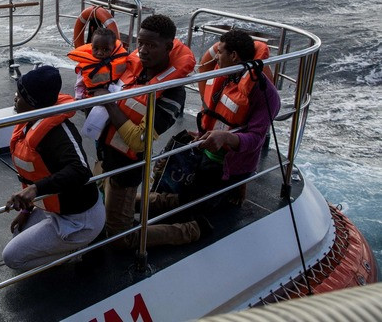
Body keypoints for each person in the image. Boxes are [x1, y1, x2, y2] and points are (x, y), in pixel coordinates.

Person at [139, 29, 282, 246]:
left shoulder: (264, 93)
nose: (216, 57)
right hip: (203, 151)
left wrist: (225, 138)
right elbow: (215, 115)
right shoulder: (225, 75)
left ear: (234, 56)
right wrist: (204, 135)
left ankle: (140, 238)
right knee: (181, 193)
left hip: (226, 166)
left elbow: (255, 139)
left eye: (220, 52)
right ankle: (142, 203)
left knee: (191, 210)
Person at [92, 14, 195, 249]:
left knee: (119, 238)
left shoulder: (172, 93)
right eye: (140, 43)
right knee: (103, 202)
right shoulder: (134, 68)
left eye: (151, 45)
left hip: (126, 168)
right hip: (105, 155)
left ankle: (189, 230)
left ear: (168, 47)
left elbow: (139, 141)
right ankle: (167, 202)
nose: (143, 50)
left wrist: (109, 102)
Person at [3, 65, 105, 271]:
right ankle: (66, 243)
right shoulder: (29, 124)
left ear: (33, 104)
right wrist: (26, 209)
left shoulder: (58, 133)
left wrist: (35, 189)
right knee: (18, 234)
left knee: (12, 258)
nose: (15, 99)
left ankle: (77, 247)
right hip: (54, 210)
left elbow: (80, 171)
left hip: (79, 219)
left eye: (19, 95)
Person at [67, 27, 129, 99]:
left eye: (105, 49)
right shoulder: (86, 66)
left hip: (115, 90)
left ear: (114, 47)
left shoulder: (120, 58)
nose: (99, 53)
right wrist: (79, 98)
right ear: (91, 46)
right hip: (93, 95)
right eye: (96, 49)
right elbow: (79, 85)